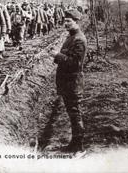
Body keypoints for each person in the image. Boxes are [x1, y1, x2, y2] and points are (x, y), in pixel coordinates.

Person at [51, 9, 87, 154]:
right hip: (68, 83)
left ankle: (80, 148)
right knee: (72, 114)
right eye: (64, 21)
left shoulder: (79, 39)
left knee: (75, 114)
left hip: (73, 83)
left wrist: (58, 55)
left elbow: (75, 64)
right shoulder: (71, 37)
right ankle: (74, 144)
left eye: (68, 21)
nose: (65, 23)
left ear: (76, 22)